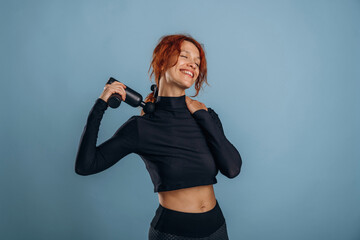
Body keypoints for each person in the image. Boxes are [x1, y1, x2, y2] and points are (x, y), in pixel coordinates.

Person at [75, 34, 242, 239]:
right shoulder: (141, 127)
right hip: (172, 233)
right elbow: (86, 165)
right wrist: (100, 106)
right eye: (184, 56)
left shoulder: (206, 116)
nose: (192, 65)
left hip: (217, 228)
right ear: (162, 61)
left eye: (197, 63)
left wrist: (203, 116)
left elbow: (232, 169)